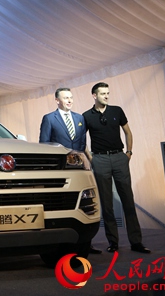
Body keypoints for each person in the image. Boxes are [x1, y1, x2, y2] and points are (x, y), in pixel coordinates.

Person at [83, 82, 150, 254]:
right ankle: (113, 242)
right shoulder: (87, 116)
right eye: (103, 93)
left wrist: (128, 153)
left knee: (128, 199)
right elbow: (82, 140)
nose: (106, 96)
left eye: (108, 93)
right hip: (100, 159)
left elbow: (128, 132)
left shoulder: (117, 111)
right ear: (94, 96)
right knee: (106, 204)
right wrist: (91, 158)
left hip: (119, 157)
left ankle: (136, 242)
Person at [39, 87, 101, 254]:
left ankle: (86, 244)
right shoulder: (49, 118)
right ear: (57, 100)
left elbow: (82, 143)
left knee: (84, 203)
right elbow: (44, 144)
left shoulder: (79, 118)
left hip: (78, 168)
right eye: (65, 97)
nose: (69, 100)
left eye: (71, 97)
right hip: (58, 170)